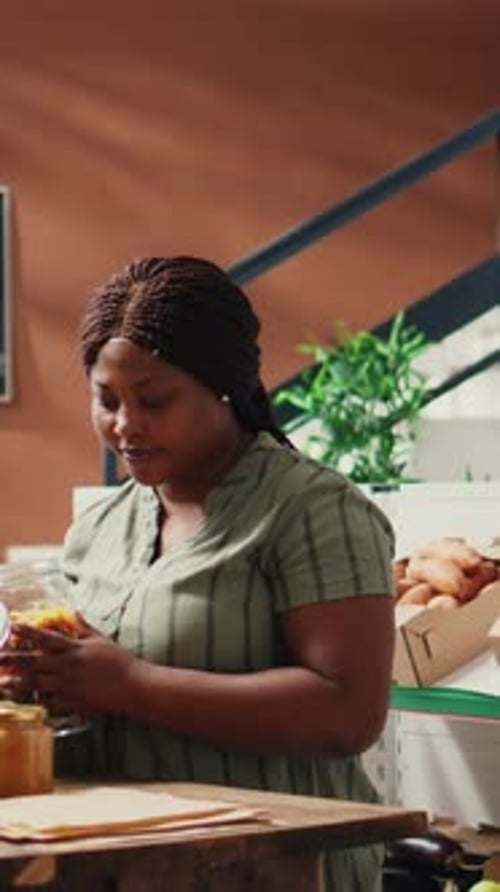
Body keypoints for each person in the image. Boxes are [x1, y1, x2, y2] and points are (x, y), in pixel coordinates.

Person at [12, 256, 395, 891]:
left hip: (279, 871)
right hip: (127, 869)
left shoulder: (312, 510)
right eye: (106, 400)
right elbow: (79, 703)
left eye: (154, 400)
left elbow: (348, 712)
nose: (126, 424)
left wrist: (131, 684)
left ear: (223, 386)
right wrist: (36, 685)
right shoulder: (98, 531)